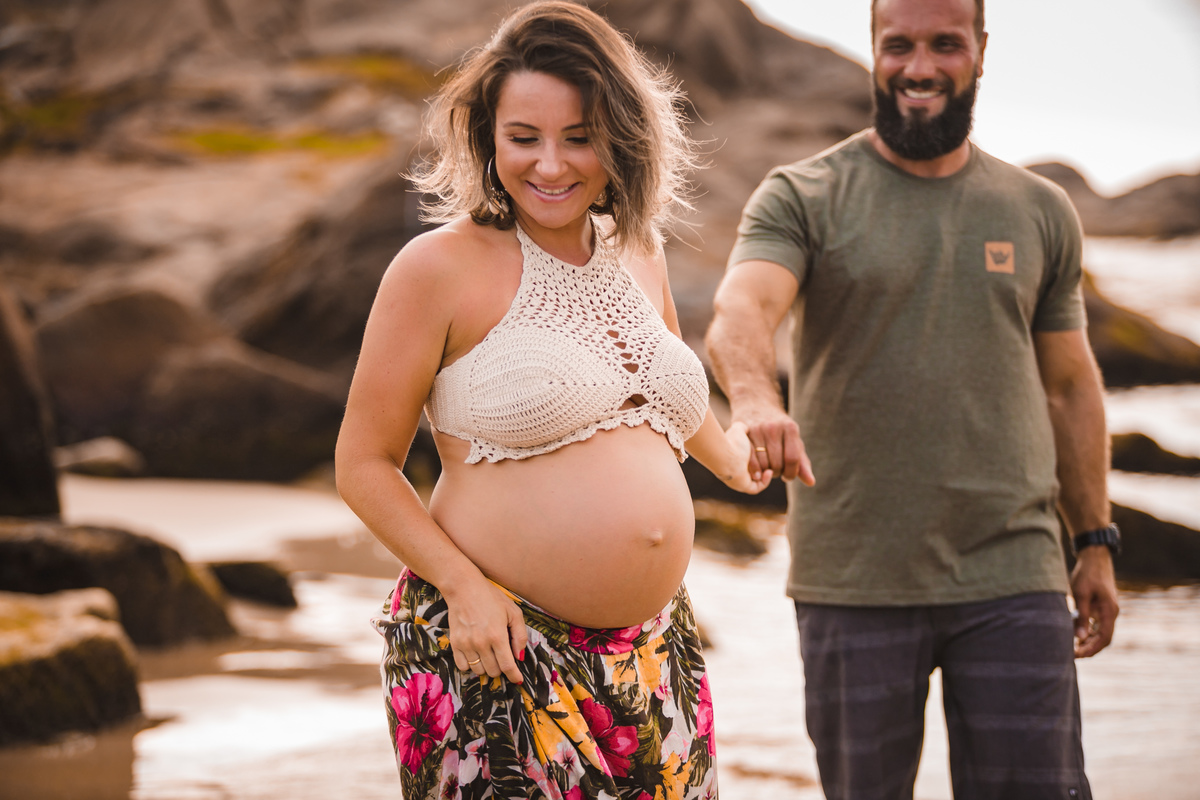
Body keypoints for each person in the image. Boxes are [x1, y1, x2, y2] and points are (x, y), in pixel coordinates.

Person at [335, 3, 768, 798]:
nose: (550, 165)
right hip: (495, 651)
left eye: (579, 136)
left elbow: (659, 394)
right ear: (487, 138)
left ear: (621, 138)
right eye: (523, 138)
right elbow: (363, 465)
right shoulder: (436, 269)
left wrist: (740, 462)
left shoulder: (639, 249)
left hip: (654, 654)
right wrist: (463, 588)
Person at [704, 0, 1120, 797]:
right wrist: (755, 400)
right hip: (853, 578)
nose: (920, 67)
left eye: (944, 44)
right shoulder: (802, 195)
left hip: (1015, 572)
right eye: (898, 45)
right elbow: (742, 311)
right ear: (872, 49)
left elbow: (1070, 386)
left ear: (981, 51)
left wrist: (1094, 540)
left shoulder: (1039, 210)